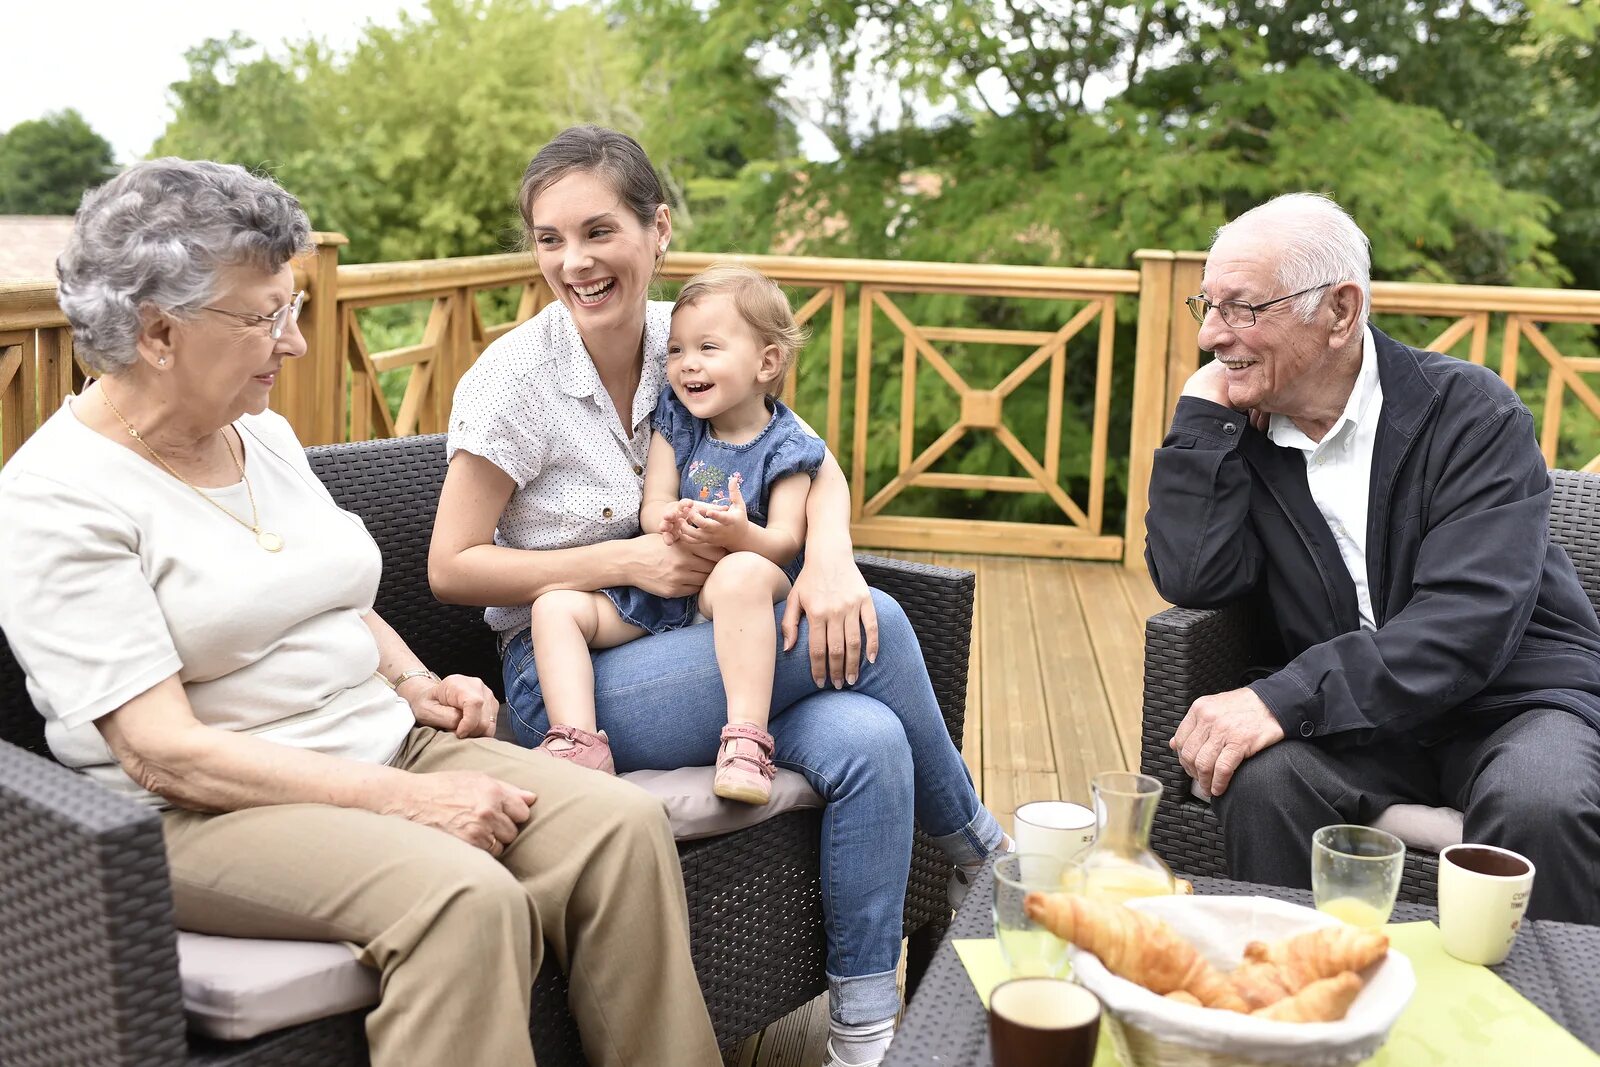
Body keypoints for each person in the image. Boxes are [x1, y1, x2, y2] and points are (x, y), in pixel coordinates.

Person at [0, 158, 720, 1067]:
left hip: (382, 742)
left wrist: (415, 680)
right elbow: (161, 751)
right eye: (266, 316)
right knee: (466, 897)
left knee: (621, 828)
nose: (295, 342)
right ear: (156, 333)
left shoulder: (256, 430)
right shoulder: (54, 498)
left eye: (293, 307)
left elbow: (335, 593)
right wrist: (412, 800)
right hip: (201, 813)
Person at [429, 125, 1009, 1067]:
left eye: (598, 230)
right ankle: (982, 852)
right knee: (886, 628)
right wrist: (621, 564)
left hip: (709, 644)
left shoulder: (689, 337)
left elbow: (807, 460)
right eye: (548, 238)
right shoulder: (515, 382)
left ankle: (863, 1036)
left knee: (869, 739)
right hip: (575, 674)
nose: (573, 262)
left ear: (657, 230)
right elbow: (451, 565)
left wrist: (831, 557)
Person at [1144, 191, 1600, 924]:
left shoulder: (1472, 414)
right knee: (1265, 781)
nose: (1211, 337)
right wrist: (1200, 419)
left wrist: (1281, 697)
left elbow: (1467, 625)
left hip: (1512, 702)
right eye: (1208, 306)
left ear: (1341, 310)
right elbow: (1197, 577)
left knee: (1540, 803)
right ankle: (1302, 1006)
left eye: (1242, 309)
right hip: (1365, 721)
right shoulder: (1248, 434)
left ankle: (1546, 1024)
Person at [528, 264, 825, 805]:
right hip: (664, 585)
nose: (687, 364)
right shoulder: (680, 419)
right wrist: (665, 519)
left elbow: (784, 542)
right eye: (676, 351)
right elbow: (655, 502)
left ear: (767, 362)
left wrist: (742, 536)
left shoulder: (787, 446)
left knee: (740, 575)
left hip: (736, 589)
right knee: (554, 607)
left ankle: (746, 742)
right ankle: (579, 745)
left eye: (708, 348)